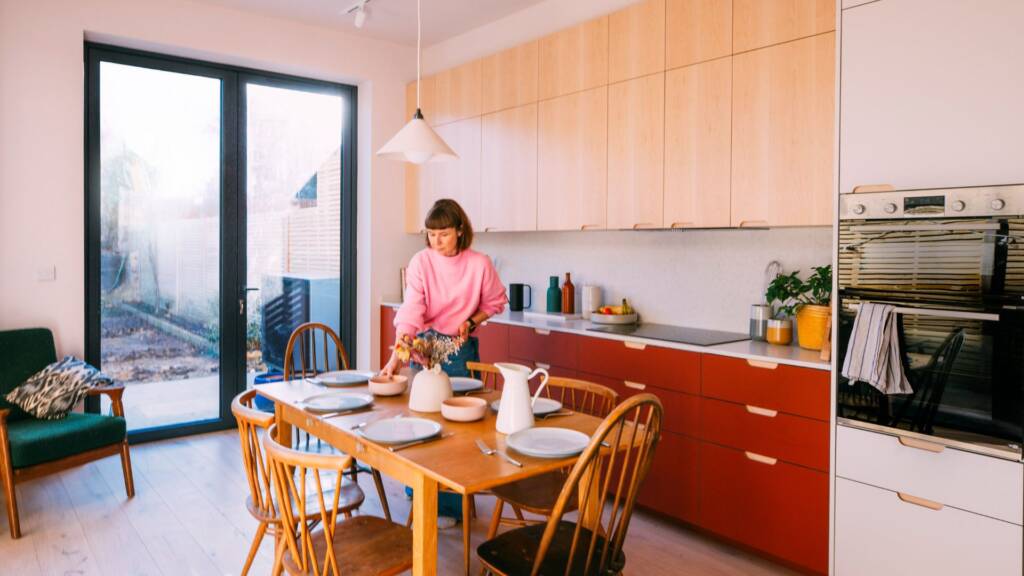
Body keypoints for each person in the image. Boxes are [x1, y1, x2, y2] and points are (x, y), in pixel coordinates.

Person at [381, 198, 506, 527]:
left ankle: (450, 505)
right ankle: (420, 493)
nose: (436, 241)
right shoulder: (421, 261)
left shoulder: (479, 264)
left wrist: (472, 321)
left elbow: (495, 302)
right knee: (421, 420)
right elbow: (411, 310)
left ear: (460, 231)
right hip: (425, 343)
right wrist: (396, 358)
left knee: (456, 431)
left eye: (444, 234)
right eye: (431, 234)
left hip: (459, 347)